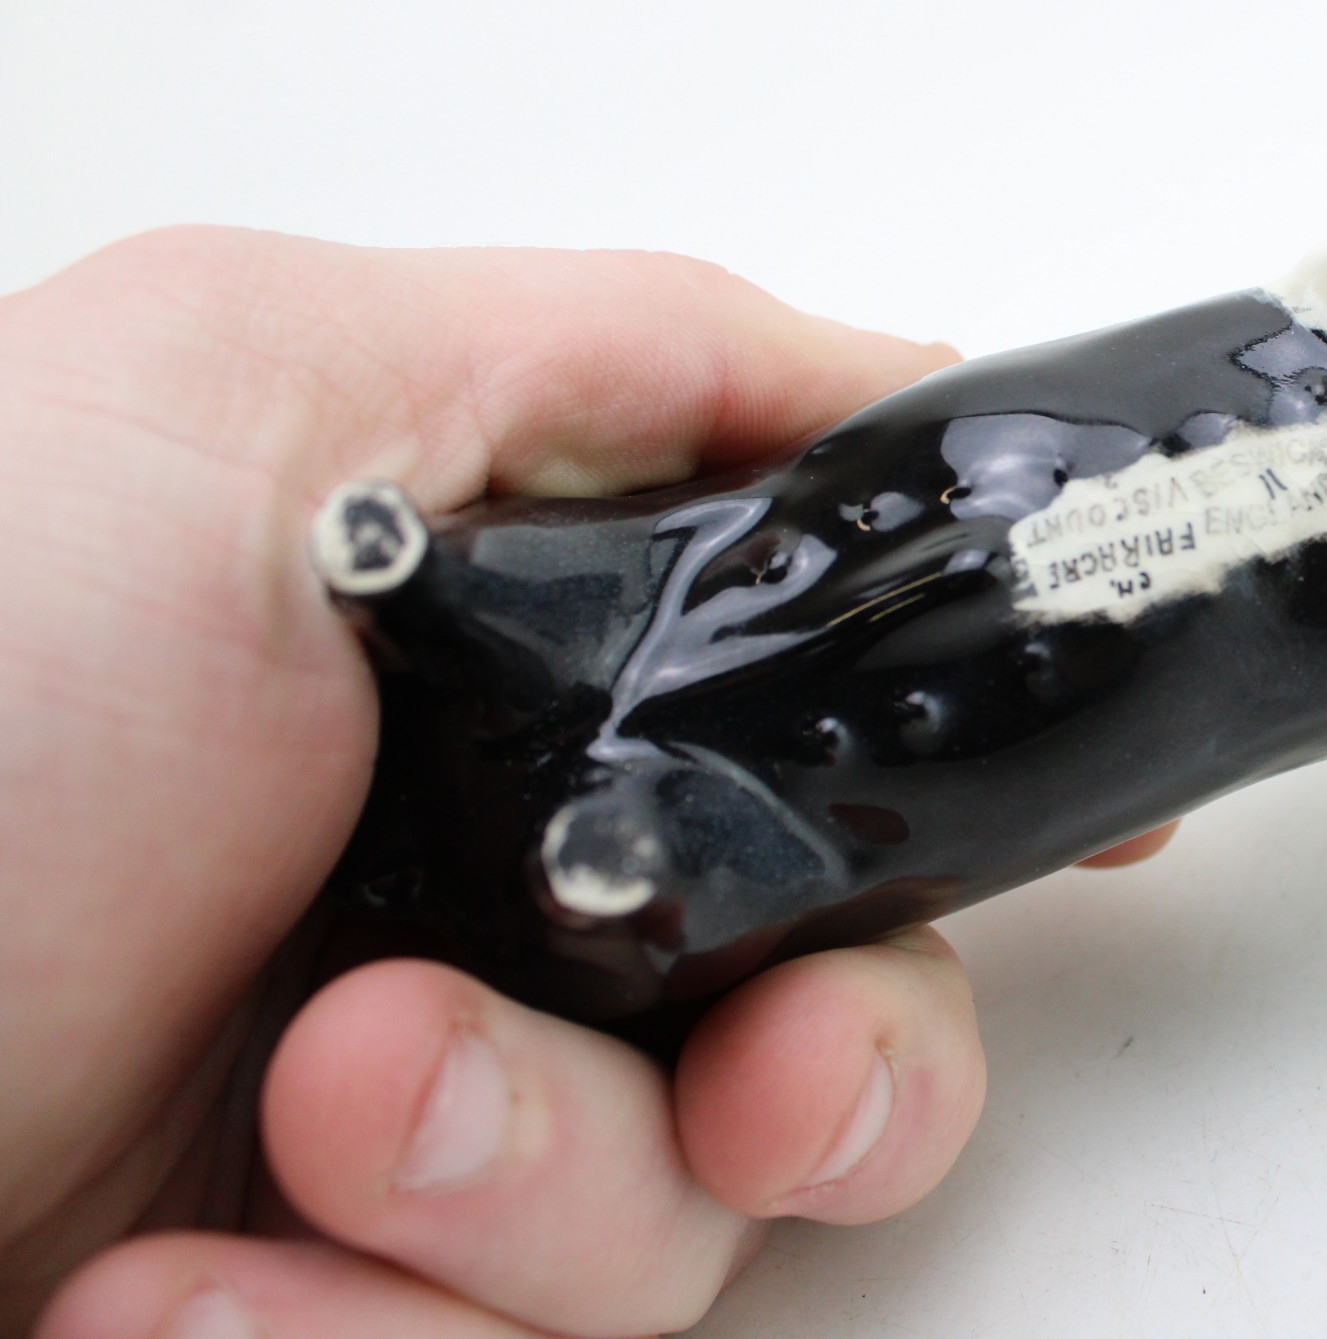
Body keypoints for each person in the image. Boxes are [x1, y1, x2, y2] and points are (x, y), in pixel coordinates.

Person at [3, 227, 1176, 1339]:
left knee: (675, 926)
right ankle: (551, 787)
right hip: (596, 761)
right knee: (663, 904)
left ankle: (519, 739)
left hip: (603, 743)